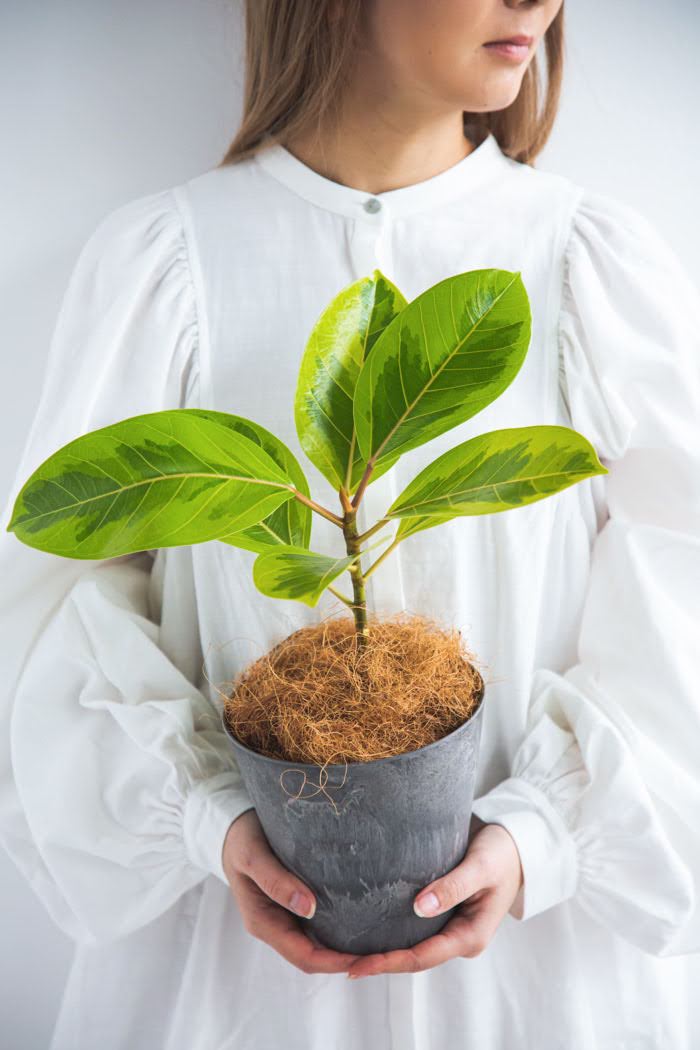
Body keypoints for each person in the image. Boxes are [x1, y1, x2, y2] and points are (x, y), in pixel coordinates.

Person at [1, 0, 699, 1047]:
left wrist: (541, 835)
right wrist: (206, 817)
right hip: (237, 971)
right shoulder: (170, 262)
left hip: (536, 977)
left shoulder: (581, 263)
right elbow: (54, 597)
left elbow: (679, 596)